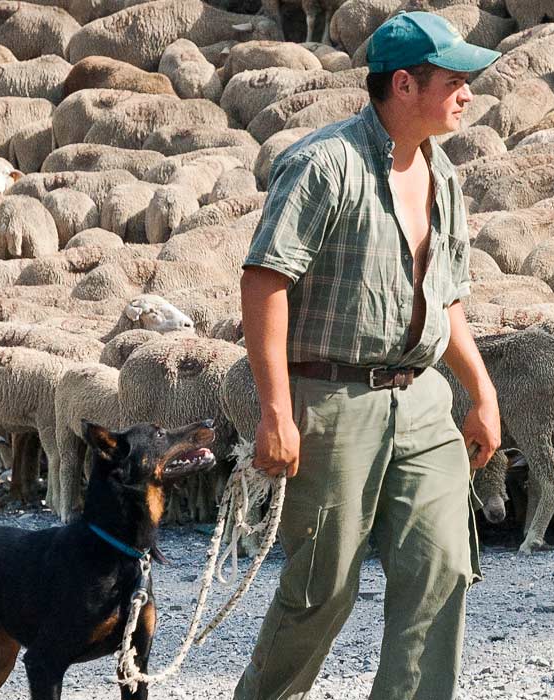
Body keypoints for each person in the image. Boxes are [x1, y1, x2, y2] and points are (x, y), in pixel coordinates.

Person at [232, 11, 503, 700]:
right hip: (332, 399)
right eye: (453, 80)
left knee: (442, 566)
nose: (467, 93)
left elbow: (443, 298)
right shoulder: (324, 164)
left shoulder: (446, 177)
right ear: (405, 84)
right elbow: (265, 281)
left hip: (422, 400)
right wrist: (275, 414)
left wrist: (481, 391)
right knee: (322, 589)